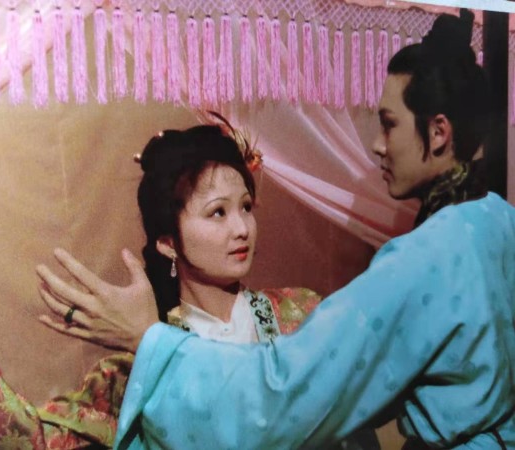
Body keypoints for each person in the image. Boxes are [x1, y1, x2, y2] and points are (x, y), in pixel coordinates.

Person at [32, 10, 514, 450]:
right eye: (217, 213)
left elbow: (278, 403)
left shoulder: (325, 299)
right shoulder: (497, 221)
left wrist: (149, 340)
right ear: (167, 241)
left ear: (438, 132)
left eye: (388, 124)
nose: (376, 145)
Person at [0, 122, 379, 448]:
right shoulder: (134, 366)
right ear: (168, 242)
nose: (242, 228)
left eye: (245, 207)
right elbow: (34, 440)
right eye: (217, 212)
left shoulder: (301, 314)